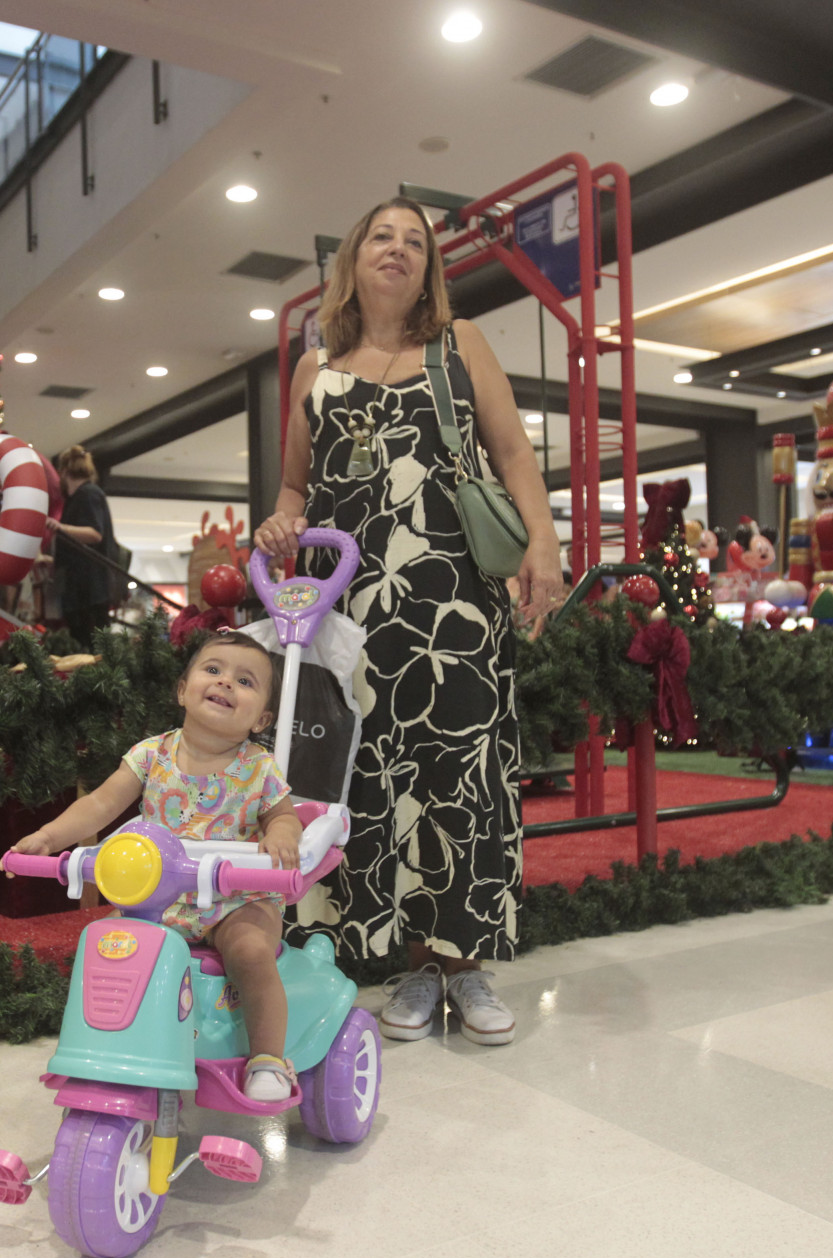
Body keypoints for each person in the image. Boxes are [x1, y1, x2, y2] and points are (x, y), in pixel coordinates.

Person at [254, 196, 565, 1047]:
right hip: (346, 613)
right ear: (353, 259)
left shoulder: (459, 346)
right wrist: (279, 524)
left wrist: (544, 544)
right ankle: (408, 967)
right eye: (382, 237)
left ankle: (463, 965)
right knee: (371, 781)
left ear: (431, 268)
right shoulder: (314, 370)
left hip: (453, 602)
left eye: (416, 243)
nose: (398, 250)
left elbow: (511, 456)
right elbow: (294, 488)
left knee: (461, 772)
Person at [9, 631, 304, 1100]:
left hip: (235, 899)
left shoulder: (259, 768)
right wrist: (49, 837)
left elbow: (283, 815)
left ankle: (268, 1059)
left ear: (261, 718)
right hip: (157, 900)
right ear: (182, 689)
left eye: (244, 681)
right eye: (213, 670)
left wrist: (281, 835)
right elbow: (101, 804)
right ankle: (108, 1043)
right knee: (109, 949)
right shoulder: (151, 755)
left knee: (249, 951)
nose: (225, 683)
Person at [48, 445, 118, 646]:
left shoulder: (87, 495)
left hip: (88, 589)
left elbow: (94, 534)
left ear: (63, 471)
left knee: (89, 642)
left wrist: (60, 527)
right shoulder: (83, 496)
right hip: (83, 589)